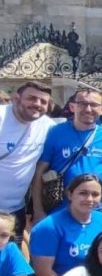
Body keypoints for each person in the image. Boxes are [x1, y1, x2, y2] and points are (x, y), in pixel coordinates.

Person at [33, 88, 102, 221]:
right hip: (60, 211)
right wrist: (38, 210)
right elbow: (39, 171)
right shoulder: (55, 132)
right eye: (82, 104)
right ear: (72, 106)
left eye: (94, 105)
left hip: (99, 211)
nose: (88, 109)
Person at [27, 174, 102, 276]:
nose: (89, 199)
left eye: (95, 194)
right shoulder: (48, 227)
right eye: (83, 193)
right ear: (70, 194)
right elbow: (44, 272)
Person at [0, 81, 53, 245]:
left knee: (9, 263)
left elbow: (75, 129)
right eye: (32, 98)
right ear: (16, 98)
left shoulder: (47, 126)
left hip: (15, 210)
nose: (37, 104)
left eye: (43, 101)